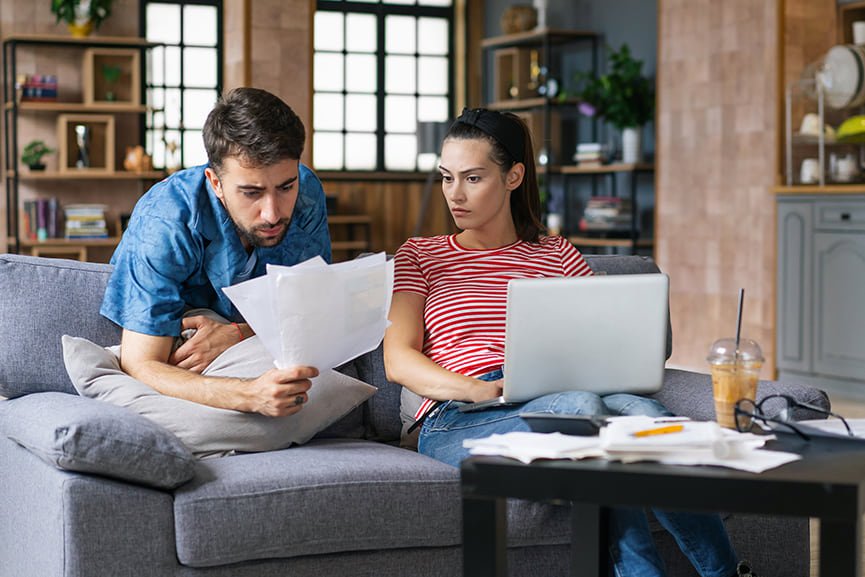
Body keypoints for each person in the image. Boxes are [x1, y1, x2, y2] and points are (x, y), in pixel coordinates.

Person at [383, 107, 755, 577]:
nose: (454, 194)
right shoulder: (422, 254)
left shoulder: (557, 253)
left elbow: (602, 342)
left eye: (473, 178)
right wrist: (477, 388)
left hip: (560, 394)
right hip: (460, 413)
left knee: (651, 417)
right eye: (446, 177)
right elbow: (397, 359)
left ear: (513, 176)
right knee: (585, 408)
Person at [100, 87, 330, 418]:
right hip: (176, 349)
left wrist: (237, 334)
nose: (272, 213)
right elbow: (141, 363)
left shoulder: (306, 190)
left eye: (285, 187)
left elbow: (312, 304)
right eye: (251, 192)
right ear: (215, 182)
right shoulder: (165, 219)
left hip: (257, 340)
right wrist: (249, 396)